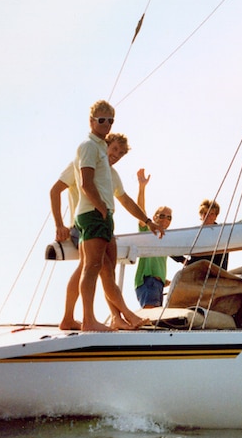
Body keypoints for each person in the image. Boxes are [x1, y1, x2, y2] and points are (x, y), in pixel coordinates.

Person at [73, 100, 164, 331]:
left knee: (107, 270)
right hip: (93, 214)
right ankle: (88, 320)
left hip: (103, 216)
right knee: (92, 267)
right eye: (101, 120)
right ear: (92, 121)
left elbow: (125, 199)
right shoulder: (89, 147)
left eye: (110, 121)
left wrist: (147, 221)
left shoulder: (108, 170)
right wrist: (100, 208)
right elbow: (81, 183)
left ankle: (120, 317)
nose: (106, 124)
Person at [50, 132, 156, 329]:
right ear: (105, 145)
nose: (117, 154)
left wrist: (147, 221)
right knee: (100, 268)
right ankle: (122, 315)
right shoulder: (84, 162)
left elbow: (125, 200)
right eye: (114, 148)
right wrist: (59, 224)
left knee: (102, 270)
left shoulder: (111, 174)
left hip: (104, 223)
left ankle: (89, 317)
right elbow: (55, 190)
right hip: (86, 223)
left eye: (122, 153)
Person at [186, 197, 242, 269]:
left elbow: (241, 226)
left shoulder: (223, 231)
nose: (208, 216)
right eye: (205, 213)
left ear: (216, 216)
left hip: (217, 275)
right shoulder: (194, 233)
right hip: (196, 273)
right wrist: (184, 261)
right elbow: (173, 243)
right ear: (201, 215)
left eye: (212, 213)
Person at [134, 168, 173, 308]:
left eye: (169, 217)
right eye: (162, 215)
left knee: (155, 321)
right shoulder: (148, 229)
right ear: (155, 217)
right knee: (151, 320)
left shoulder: (167, 239)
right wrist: (142, 187)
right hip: (148, 282)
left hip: (158, 284)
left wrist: (163, 278)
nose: (165, 219)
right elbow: (140, 211)